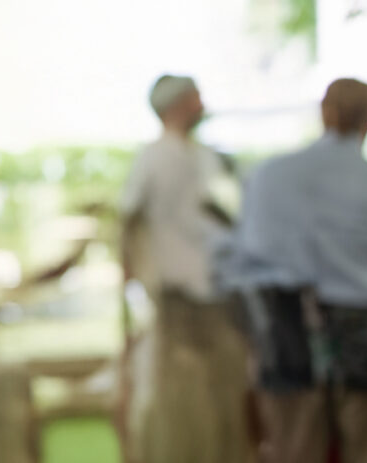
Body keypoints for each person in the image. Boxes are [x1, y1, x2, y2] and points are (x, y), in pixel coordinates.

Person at [228, 78, 367, 463]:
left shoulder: (270, 175)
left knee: (292, 450)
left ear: (325, 112)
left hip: (288, 334)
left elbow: (246, 260)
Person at [117, 74, 253, 463]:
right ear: (176, 104)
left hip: (219, 293)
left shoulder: (204, 156)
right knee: (180, 399)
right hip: (177, 299)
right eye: (195, 97)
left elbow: (223, 213)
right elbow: (129, 220)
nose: (202, 104)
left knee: (224, 395)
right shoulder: (154, 157)